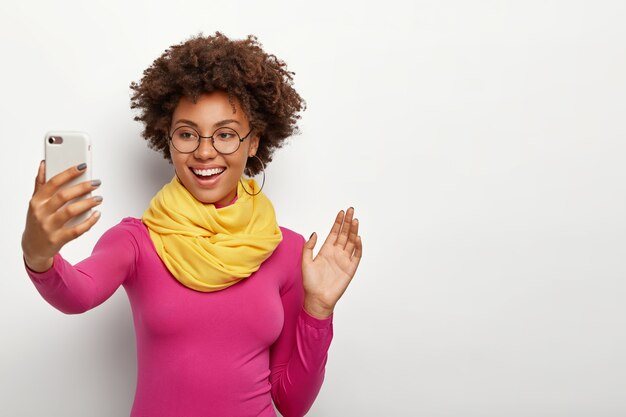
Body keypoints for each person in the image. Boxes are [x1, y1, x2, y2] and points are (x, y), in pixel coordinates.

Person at [21, 33, 362, 417]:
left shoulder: (286, 252)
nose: (203, 151)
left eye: (226, 135)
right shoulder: (137, 240)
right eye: (187, 133)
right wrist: (38, 253)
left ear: (254, 143)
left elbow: (292, 402)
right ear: (167, 138)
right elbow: (76, 294)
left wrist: (317, 310)